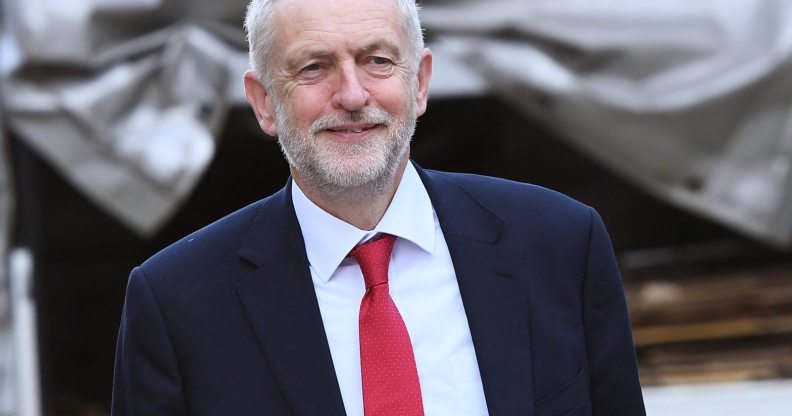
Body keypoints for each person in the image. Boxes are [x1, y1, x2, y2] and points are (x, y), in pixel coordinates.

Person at [111, 0, 646, 414]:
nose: (352, 94)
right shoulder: (177, 304)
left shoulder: (561, 246)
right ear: (263, 102)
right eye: (315, 67)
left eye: (378, 61)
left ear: (419, 82)